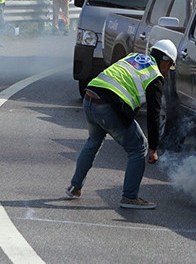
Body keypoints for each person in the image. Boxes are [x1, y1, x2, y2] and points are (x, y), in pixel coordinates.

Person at [65, 39, 177, 210]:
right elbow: (154, 115)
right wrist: (154, 147)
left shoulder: (134, 58)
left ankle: (75, 186)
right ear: (165, 61)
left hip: (90, 98)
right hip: (107, 106)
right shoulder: (155, 76)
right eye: (169, 67)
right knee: (139, 147)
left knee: (93, 142)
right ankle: (130, 197)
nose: (167, 72)